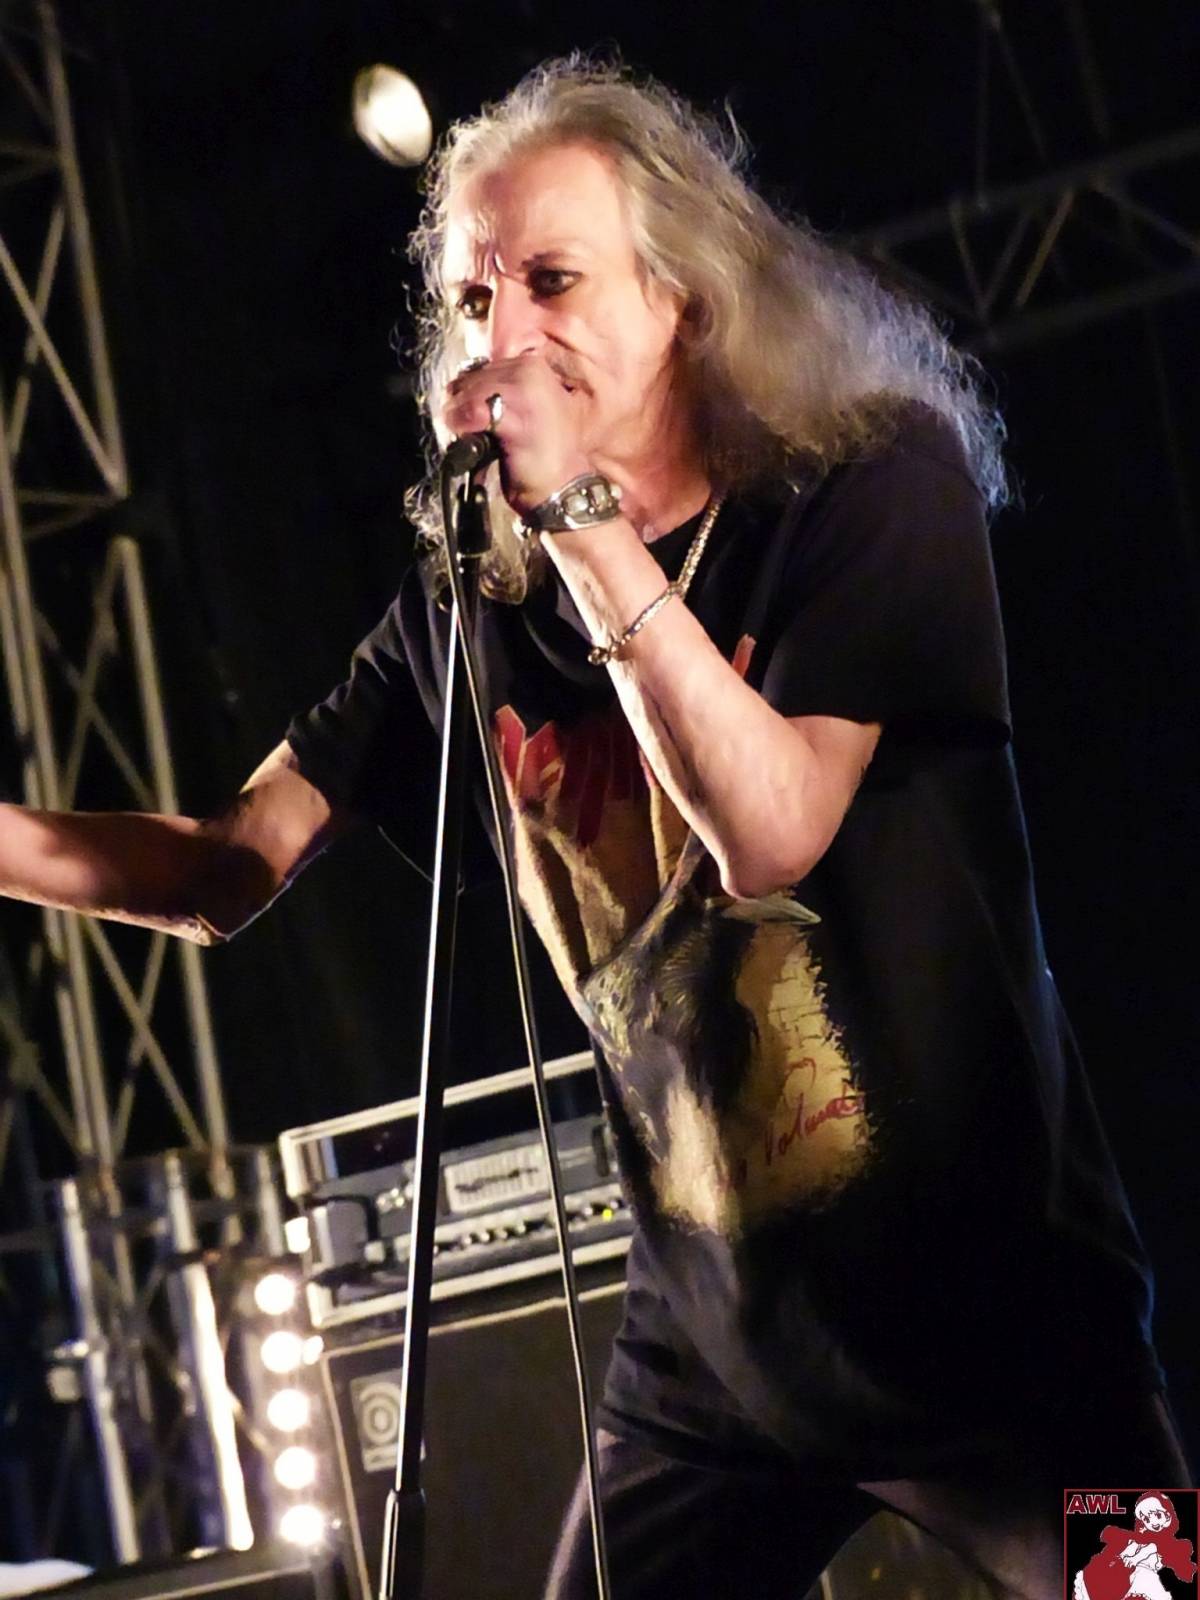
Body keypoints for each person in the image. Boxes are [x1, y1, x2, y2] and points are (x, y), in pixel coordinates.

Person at [0, 57, 1191, 1600]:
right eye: (474, 296)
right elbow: (227, 865)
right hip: (717, 1364)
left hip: (997, 1320)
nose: (505, 333)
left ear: (681, 296)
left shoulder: (869, 482)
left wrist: (580, 521)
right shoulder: (471, 606)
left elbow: (771, 830)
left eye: (552, 281)